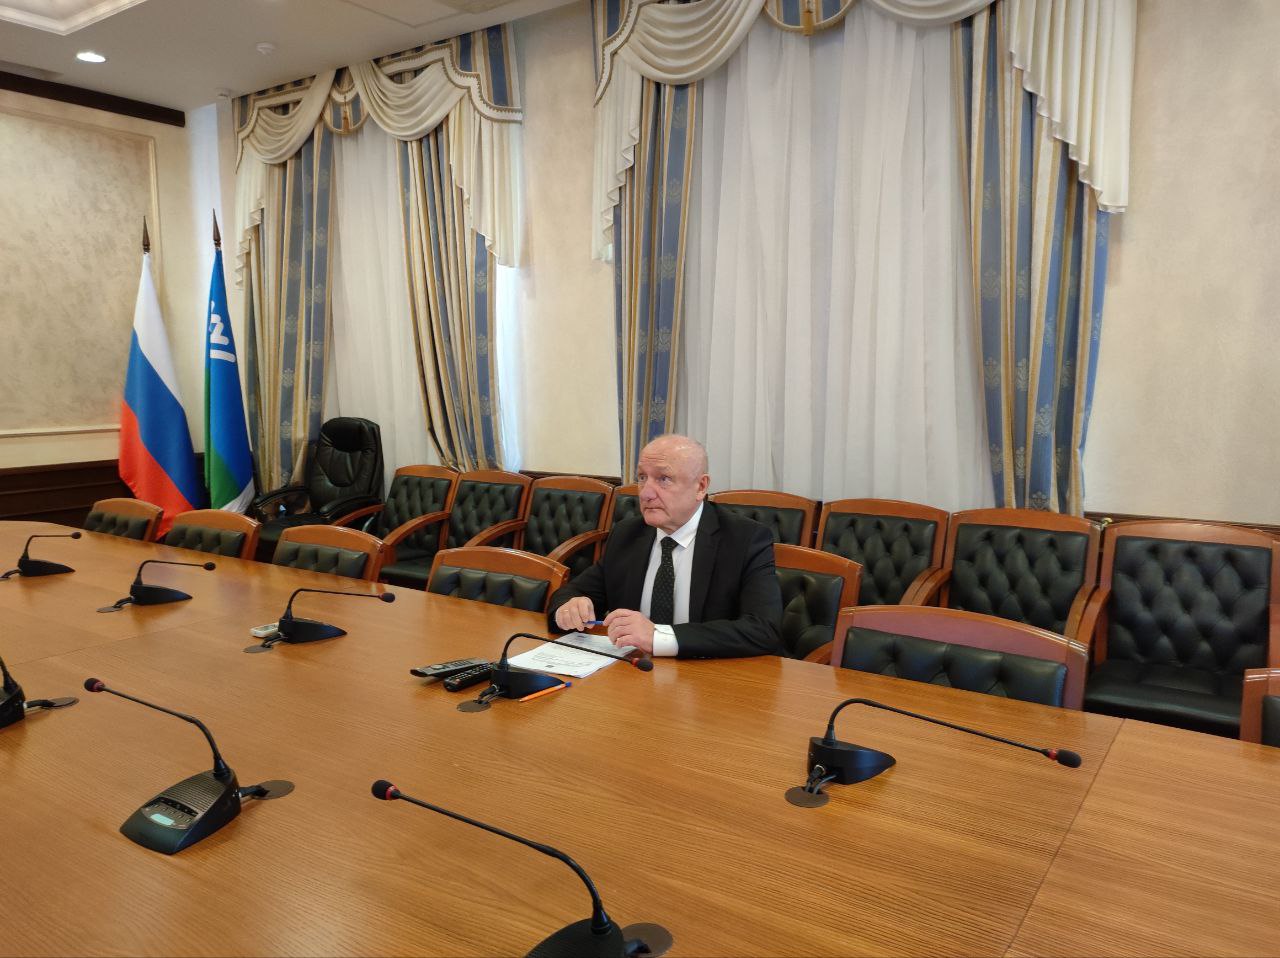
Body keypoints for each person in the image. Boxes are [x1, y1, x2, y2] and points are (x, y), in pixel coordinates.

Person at [547, 434, 782, 658]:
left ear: (701, 487)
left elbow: (763, 629)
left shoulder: (744, 539)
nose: (646, 493)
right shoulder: (628, 534)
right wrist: (571, 608)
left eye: (664, 479)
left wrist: (659, 637)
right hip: (634, 671)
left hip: (711, 675)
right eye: (642, 477)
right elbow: (571, 593)